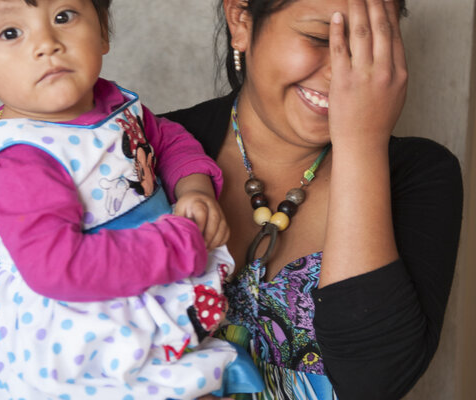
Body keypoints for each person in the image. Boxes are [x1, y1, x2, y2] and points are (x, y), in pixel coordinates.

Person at [0, 0, 265, 399]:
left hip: (145, 280)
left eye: (63, 17)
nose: (47, 43)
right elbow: (61, 266)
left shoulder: (113, 104)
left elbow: (166, 139)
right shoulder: (20, 157)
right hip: (83, 320)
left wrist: (193, 186)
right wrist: (178, 243)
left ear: (103, 29)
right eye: (11, 33)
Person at [166, 0, 463, 399]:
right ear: (241, 19)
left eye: (368, 45)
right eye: (319, 38)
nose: (345, 72)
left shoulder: (419, 174)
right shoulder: (145, 150)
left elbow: (374, 381)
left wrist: (361, 144)